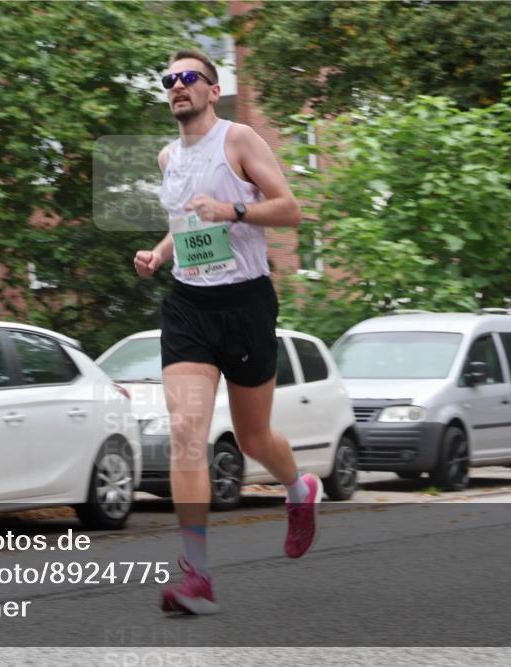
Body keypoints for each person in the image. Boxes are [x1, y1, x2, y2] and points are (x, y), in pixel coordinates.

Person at [133, 50, 321, 615]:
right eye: (170, 80)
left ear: (214, 90)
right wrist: (161, 254)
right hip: (189, 306)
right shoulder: (169, 156)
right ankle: (197, 577)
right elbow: (185, 219)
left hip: (245, 303)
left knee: (252, 439)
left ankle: (299, 490)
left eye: (189, 78)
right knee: (187, 433)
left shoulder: (239, 140)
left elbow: (290, 210)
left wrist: (232, 212)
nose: (178, 86)